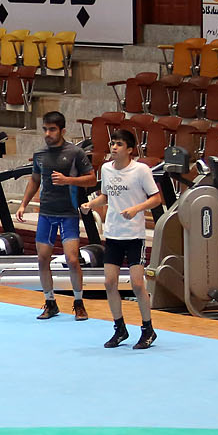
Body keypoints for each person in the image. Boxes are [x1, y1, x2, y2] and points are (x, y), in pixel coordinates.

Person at [81, 129, 162, 349]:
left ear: (129, 149)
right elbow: (105, 196)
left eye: (118, 144)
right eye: (112, 143)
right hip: (113, 234)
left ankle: (148, 329)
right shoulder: (106, 169)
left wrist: (136, 209)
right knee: (109, 283)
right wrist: (91, 204)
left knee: (137, 284)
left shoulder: (141, 170)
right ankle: (120, 328)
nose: (114, 147)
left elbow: (156, 199)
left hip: (134, 236)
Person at [15, 111, 95, 320]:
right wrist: (23, 204)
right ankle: (50, 303)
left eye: (52, 129)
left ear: (62, 131)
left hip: (68, 214)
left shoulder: (75, 153)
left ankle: (78, 303)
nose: (48, 134)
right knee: (43, 259)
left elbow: (92, 179)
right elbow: (35, 180)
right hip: (46, 214)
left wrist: (68, 180)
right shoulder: (40, 154)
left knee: (72, 259)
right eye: (45, 129)